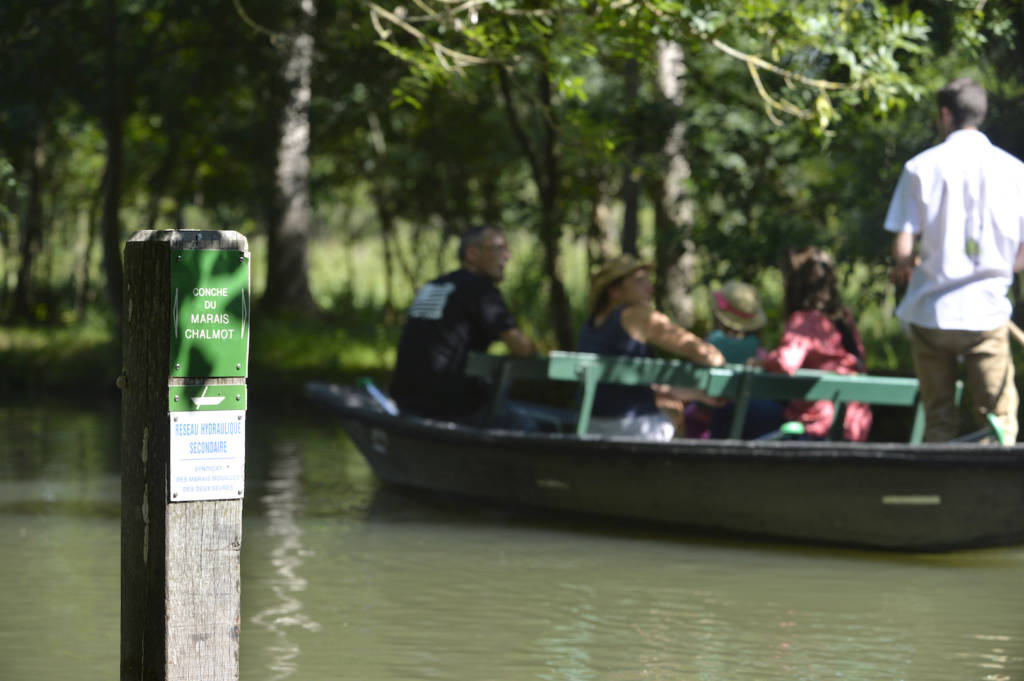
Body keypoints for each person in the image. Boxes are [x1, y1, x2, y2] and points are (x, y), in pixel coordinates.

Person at [884, 77, 1024, 443]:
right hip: (986, 313)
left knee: (938, 419)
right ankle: (995, 496)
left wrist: (907, 262)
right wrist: (1000, 268)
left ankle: (938, 494)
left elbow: (902, 248)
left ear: (945, 114)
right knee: (999, 422)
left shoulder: (920, 167)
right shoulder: (1015, 171)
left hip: (931, 312)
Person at [389, 224, 537, 425]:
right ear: (472, 253)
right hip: (450, 408)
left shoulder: (434, 285)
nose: (507, 255)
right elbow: (522, 349)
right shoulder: (481, 290)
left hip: (406, 403)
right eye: (499, 248)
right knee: (527, 425)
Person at [577, 254, 726, 440]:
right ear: (614, 291)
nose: (650, 287)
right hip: (631, 428)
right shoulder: (637, 316)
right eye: (640, 281)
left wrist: (697, 394)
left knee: (669, 402)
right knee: (674, 410)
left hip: (589, 424)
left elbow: (623, 389)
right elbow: (709, 357)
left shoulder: (591, 324)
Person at [759, 247, 872, 441]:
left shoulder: (804, 320)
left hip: (819, 428)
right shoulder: (843, 319)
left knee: (739, 412)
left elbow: (785, 363)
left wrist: (762, 360)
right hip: (855, 425)